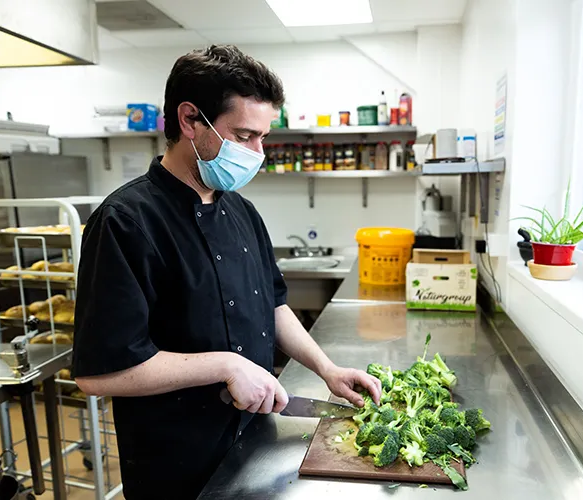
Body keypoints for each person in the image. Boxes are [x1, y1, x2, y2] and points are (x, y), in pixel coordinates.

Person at [72, 45, 381, 500]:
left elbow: (273, 305)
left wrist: (326, 369)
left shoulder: (243, 212)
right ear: (190, 121)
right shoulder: (124, 222)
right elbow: (99, 374)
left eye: (263, 137)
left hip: (256, 443)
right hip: (176, 463)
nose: (259, 153)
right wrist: (227, 364)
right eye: (244, 136)